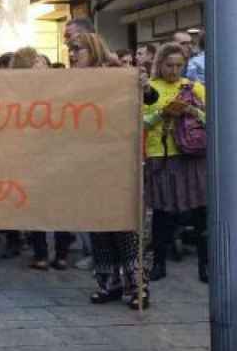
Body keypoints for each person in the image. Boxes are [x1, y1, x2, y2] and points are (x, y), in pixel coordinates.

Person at [69, 32, 148, 309]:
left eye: (77, 49)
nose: (72, 54)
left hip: (117, 162)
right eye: (70, 49)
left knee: (123, 226)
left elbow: (150, 97)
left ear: (92, 49)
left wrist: (139, 81)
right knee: (99, 225)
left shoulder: (117, 74)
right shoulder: (71, 82)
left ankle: (138, 285)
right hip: (88, 162)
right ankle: (109, 282)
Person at [143, 43, 208, 283]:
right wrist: (164, 113)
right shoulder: (149, 90)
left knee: (200, 211)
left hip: (191, 154)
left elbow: (211, 118)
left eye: (179, 65)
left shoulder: (195, 88)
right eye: (169, 65)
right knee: (162, 212)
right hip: (161, 155)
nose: (174, 70)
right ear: (159, 64)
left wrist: (190, 110)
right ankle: (158, 263)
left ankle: (205, 265)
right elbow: (141, 123)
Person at [11, 48, 74, 270]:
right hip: (31, 154)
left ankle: (62, 252)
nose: (41, 64)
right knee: (36, 203)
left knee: (61, 203)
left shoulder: (62, 90)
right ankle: (41, 253)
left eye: (42, 61)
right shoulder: (17, 93)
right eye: (36, 61)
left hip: (58, 153)